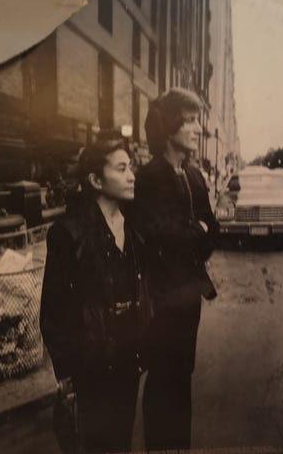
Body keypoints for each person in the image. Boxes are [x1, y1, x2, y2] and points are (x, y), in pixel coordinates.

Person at [40, 138, 151, 453]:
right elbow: (53, 310)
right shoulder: (68, 234)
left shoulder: (134, 227)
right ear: (95, 180)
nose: (132, 176)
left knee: (121, 440)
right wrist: (65, 373)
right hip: (91, 367)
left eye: (130, 168)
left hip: (128, 360)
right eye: (121, 168)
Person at [133, 87, 219, 450]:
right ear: (169, 128)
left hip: (189, 297)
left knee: (182, 375)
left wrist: (196, 231)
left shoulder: (195, 175)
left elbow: (213, 232)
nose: (198, 129)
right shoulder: (149, 177)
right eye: (190, 121)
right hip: (161, 298)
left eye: (198, 121)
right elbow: (160, 237)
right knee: (163, 378)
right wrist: (195, 231)